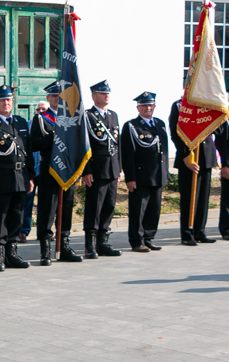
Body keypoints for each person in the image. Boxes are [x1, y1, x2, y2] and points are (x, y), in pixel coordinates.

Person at [30, 81, 82, 265]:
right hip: (49, 168)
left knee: (66, 207)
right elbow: (35, 143)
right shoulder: (41, 119)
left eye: (60, 97)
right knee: (47, 209)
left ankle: (64, 245)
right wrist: (55, 135)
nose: (57, 100)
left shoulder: (71, 118)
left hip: (68, 168)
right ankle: (46, 250)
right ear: (48, 98)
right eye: (53, 96)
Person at [0, 84, 33, 271]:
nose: (6, 103)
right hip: (1, 177)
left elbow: (26, 151)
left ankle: (12, 254)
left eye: (9, 100)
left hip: (20, 176)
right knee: (0, 217)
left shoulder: (20, 122)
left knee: (16, 216)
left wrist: (30, 176)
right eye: (2, 100)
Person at [120, 92, 169, 252]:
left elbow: (164, 152)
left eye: (150, 105)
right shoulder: (132, 126)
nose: (148, 108)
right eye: (144, 105)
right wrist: (130, 177)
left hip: (157, 175)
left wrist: (165, 174)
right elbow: (127, 154)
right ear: (138, 108)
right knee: (138, 210)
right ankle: (136, 240)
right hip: (140, 176)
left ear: (154, 106)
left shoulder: (160, 124)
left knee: (154, 209)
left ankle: (148, 238)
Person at [169, 98, 220, 245]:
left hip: (206, 156)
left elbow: (219, 129)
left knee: (203, 197)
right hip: (190, 158)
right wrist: (185, 155)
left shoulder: (208, 105)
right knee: (189, 198)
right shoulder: (179, 106)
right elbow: (175, 132)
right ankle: (187, 234)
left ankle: (200, 231)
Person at [82, 80, 122, 258]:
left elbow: (117, 143)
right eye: (102, 93)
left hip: (112, 169)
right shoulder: (87, 116)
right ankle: (90, 245)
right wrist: (86, 170)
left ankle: (102, 242)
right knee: (94, 207)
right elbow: (85, 145)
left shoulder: (113, 115)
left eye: (108, 93)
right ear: (94, 96)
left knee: (109, 206)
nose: (106, 96)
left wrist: (119, 168)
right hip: (96, 169)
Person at [19, 101, 48, 242]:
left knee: (45, 203)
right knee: (27, 202)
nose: (40, 111)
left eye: (43, 109)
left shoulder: (51, 123)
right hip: (31, 170)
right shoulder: (27, 125)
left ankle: (44, 232)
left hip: (45, 171)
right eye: (38, 109)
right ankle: (23, 231)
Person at [218, 122, 229, 240]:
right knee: (227, 198)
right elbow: (221, 142)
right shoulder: (225, 118)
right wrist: (225, 164)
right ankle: (226, 229)